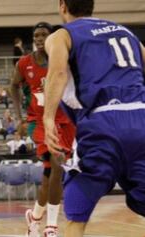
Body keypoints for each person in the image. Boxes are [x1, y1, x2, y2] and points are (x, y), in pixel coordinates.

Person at [43, 1, 145, 236]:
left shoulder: (62, 35)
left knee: (77, 210)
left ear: (62, 6)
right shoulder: (126, 32)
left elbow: (57, 73)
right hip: (140, 118)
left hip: (103, 120)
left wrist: (48, 118)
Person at [10, 22, 76, 237]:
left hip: (65, 122)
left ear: (51, 38)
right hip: (38, 122)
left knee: (50, 174)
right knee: (57, 165)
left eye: (43, 35)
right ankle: (51, 226)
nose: (39, 38)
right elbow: (13, 86)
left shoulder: (63, 59)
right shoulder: (24, 63)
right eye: (36, 35)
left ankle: (35, 217)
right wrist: (19, 117)